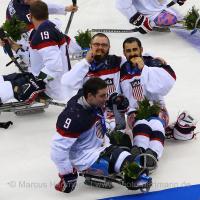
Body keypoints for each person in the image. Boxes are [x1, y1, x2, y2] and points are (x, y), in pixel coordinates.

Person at [51, 77, 152, 193]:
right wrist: (67, 174)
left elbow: (101, 104)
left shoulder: (89, 98)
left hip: (99, 142)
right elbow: (57, 149)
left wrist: (115, 99)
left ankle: (118, 159)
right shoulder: (74, 117)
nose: (106, 99)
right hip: (85, 156)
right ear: (90, 96)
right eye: (103, 96)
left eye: (106, 94)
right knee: (127, 166)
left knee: (125, 143)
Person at [120, 37, 196, 169]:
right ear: (124, 52)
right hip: (134, 111)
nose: (132, 53)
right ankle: (138, 150)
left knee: (155, 123)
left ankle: (152, 154)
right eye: (128, 51)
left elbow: (169, 80)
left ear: (141, 50)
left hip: (158, 108)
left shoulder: (152, 62)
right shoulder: (121, 70)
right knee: (141, 123)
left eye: (135, 49)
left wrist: (145, 68)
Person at [0, 1, 70, 104]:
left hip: (53, 88)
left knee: (6, 89)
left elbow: (54, 66)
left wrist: (38, 80)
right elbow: (33, 60)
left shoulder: (44, 34)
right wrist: (12, 45)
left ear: (30, 16)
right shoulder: (41, 30)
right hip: (38, 77)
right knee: (3, 79)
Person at [61, 33, 126, 130]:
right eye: (96, 44)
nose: (100, 47)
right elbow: (66, 82)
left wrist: (151, 60)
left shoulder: (117, 61)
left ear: (109, 47)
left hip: (115, 113)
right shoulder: (83, 66)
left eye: (104, 45)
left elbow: (134, 62)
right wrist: (86, 62)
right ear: (90, 46)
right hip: (94, 116)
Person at [4, 0, 81, 69]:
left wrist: (65, 8)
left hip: (27, 43)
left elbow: (41, 7)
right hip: (28, 46)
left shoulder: (17, 2)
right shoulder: (25, 17)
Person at [115, 0, 187, 34]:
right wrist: (139, 20)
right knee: (172, 19)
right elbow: (121, 4)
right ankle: (151, 22)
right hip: (145, 12)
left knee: (173, 17)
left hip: (156, 7)